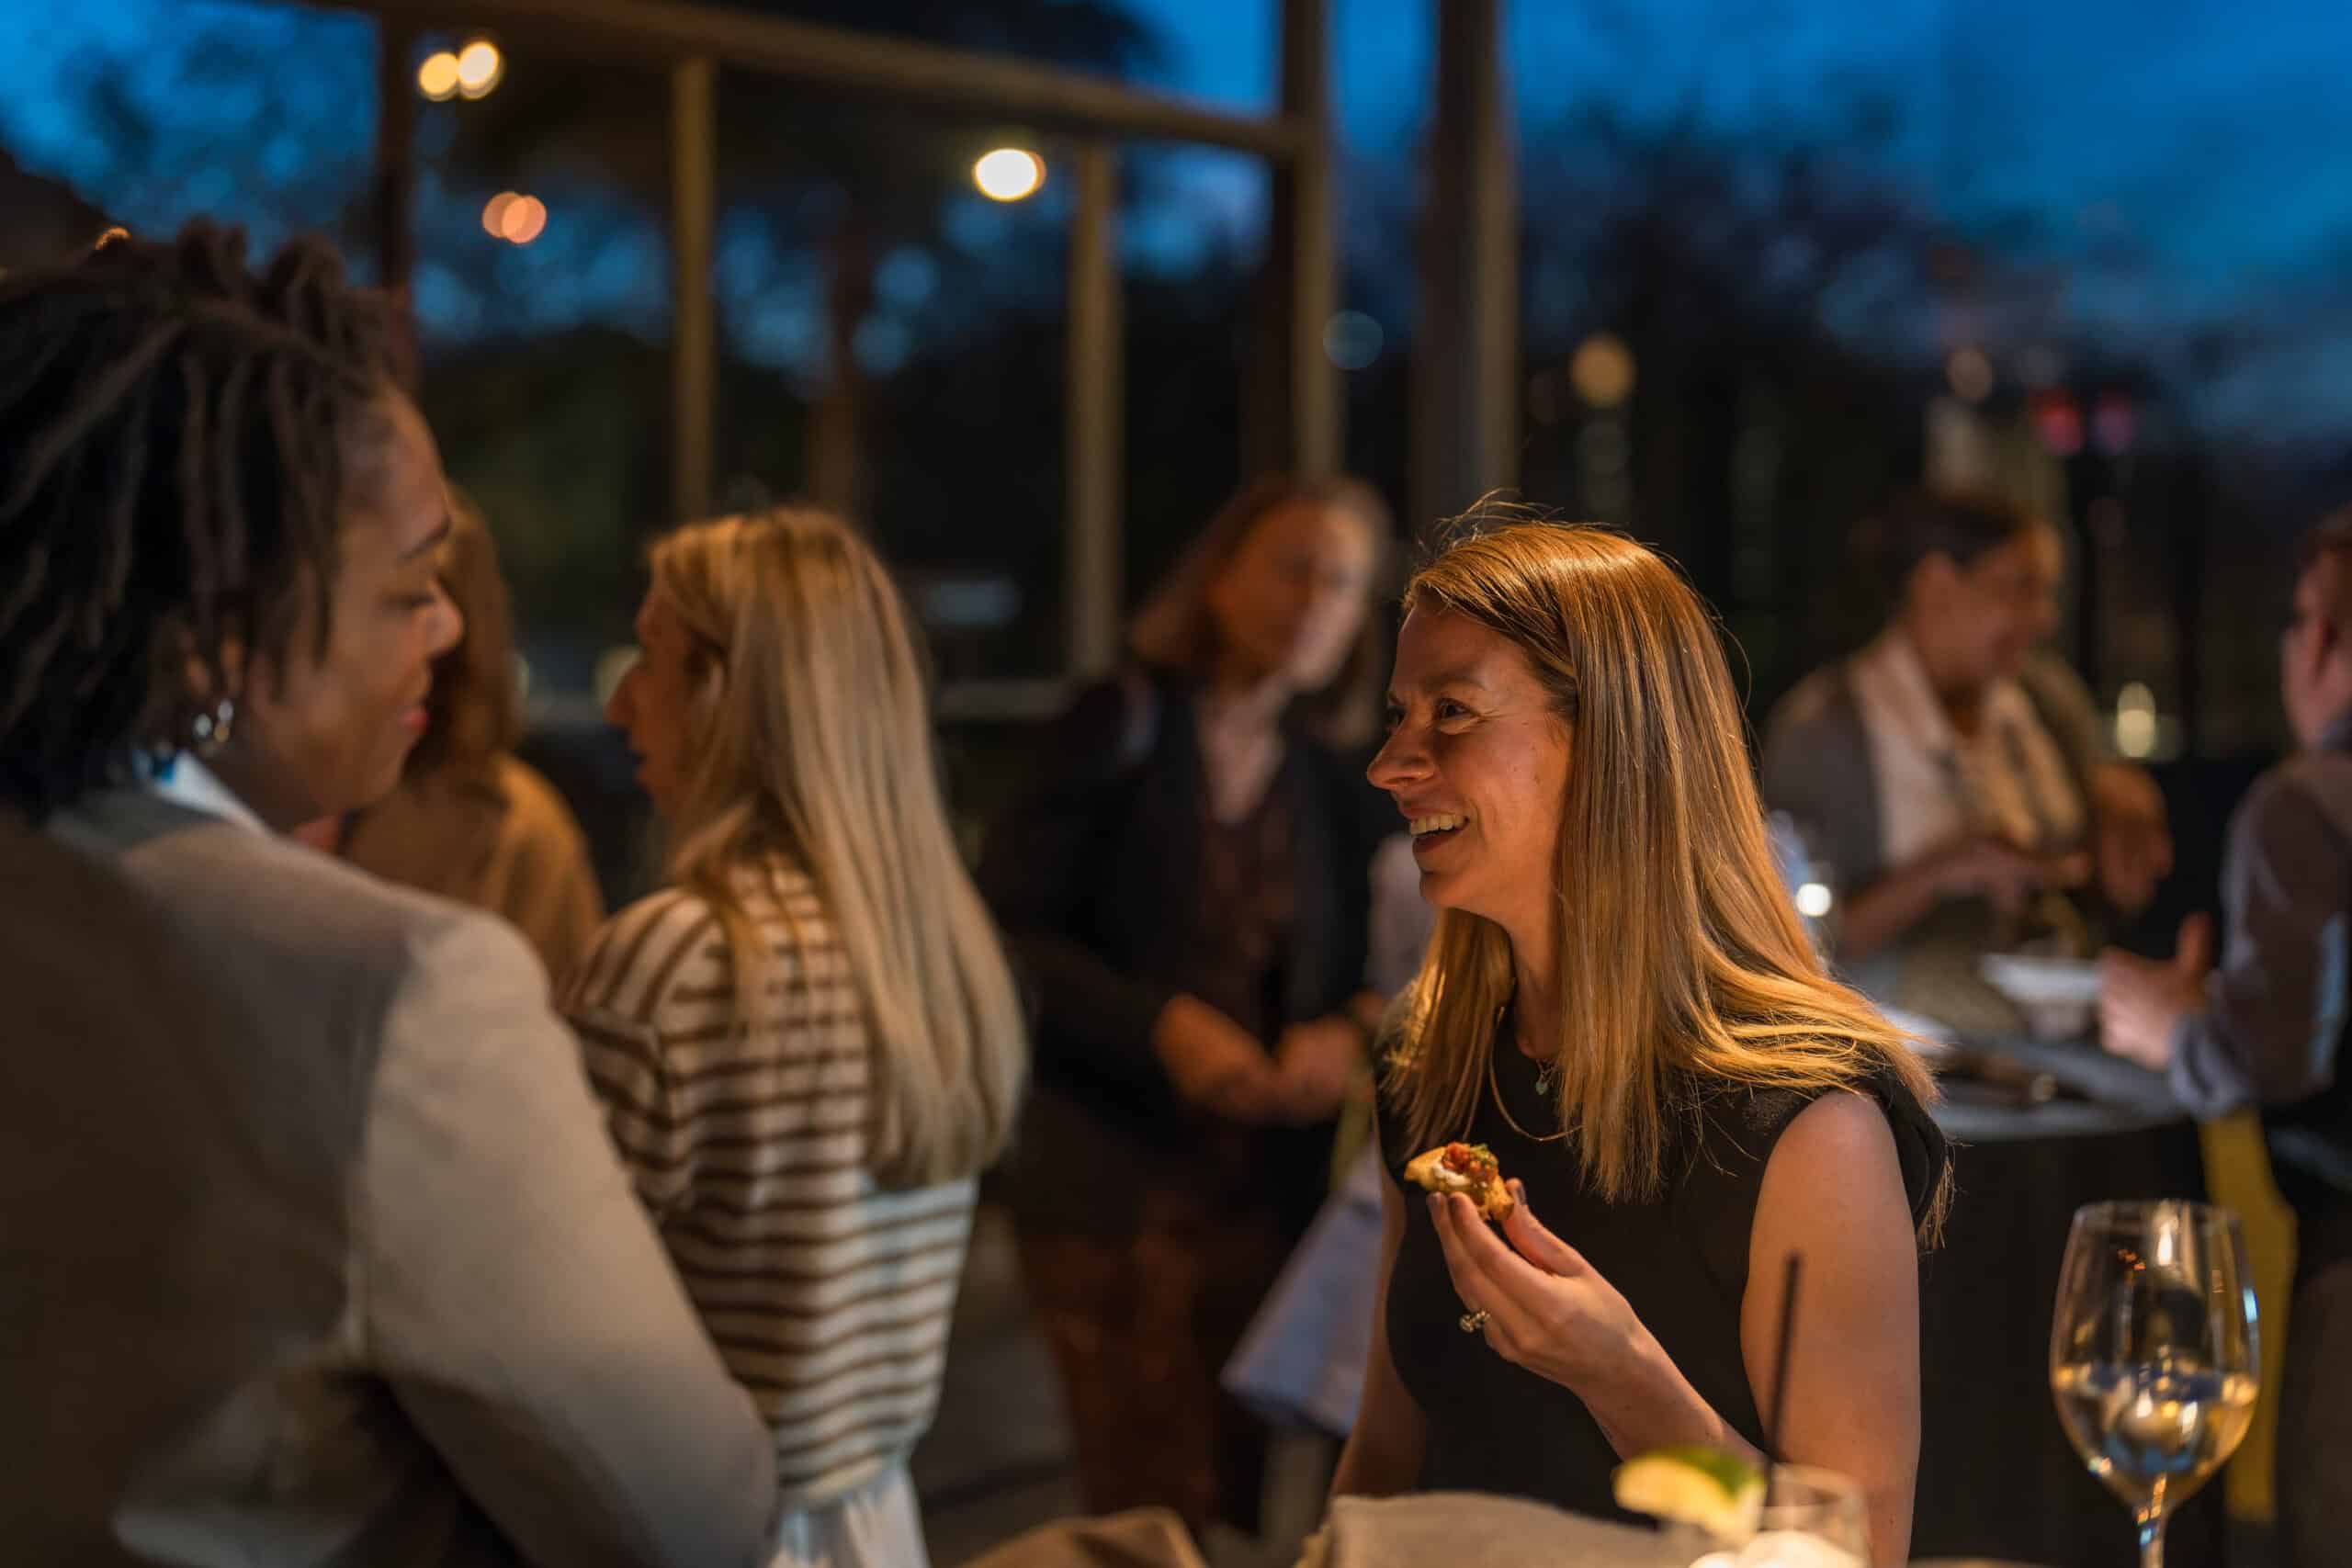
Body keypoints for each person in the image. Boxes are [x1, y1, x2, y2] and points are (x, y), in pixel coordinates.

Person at [0, 222, 775, 1564]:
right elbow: (693, 1518)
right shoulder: (394, 990)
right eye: (413, 587)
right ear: (214, 641)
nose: (454, 629)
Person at [1330, 520, 1951, 1568]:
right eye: (1399, 714)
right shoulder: (1430, 1060)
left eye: (1452, 713)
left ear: (1611, 740)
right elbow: (1387, 1460)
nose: (1392, 763)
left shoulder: (1808, 1127)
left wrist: (1622, 1378)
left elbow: (1850, 1553)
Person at [560, 508, 1028, 1568]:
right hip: (878, 1520)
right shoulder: (934, 948)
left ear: (734, 695)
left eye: (654, 659)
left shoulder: (680, 956)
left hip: (701, 1526)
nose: (623, 700)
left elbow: (550, 1316)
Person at [979, 474, 1393, 1538]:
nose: (1313, 601)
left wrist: (1340, 1034)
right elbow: (1005, 933)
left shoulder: (1336, 772)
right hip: (1106, 1181)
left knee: (1238, 1496)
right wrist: (1157, 1025)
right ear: (1217, 580)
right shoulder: (1116, 722)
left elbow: (1371, 964)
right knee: (1140, 1497)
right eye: (1290, 568)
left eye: (1341, 582)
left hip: (1262, 1189)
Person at [2099, 510, 2352, 1568]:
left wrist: (2171, 1027)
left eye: (2303, 620)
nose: (2291, 648)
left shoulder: (2304, 806)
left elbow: (2268, 1055)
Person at [1762, 489, 2171, 1034]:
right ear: (1935, 584)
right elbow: (1790, 942)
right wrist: (1945, 871)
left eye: (2046, 593)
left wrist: (2121, 813)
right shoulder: (1827, 729)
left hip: (2058, 1024)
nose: (2043, 619)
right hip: (1906, 1049)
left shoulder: (2043, 700)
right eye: (2017, 589)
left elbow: (2091, 819)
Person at [301, 491, 605, 978]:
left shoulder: (516, 831)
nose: (439, 632)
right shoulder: (252, 794)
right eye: (402, 600)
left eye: (425, 599)